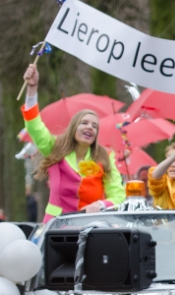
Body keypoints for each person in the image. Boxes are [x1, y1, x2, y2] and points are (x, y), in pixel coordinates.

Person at [21, 65, 125, 221]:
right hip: (57, 228)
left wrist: (101, 205)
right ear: (73, 128)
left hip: (91, 227)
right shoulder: (55, 148)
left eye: (94, 125)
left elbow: (118, 197)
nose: (90, 126)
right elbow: (33, 126)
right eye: (84, 123)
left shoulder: (106, 156)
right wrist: (32, 87)